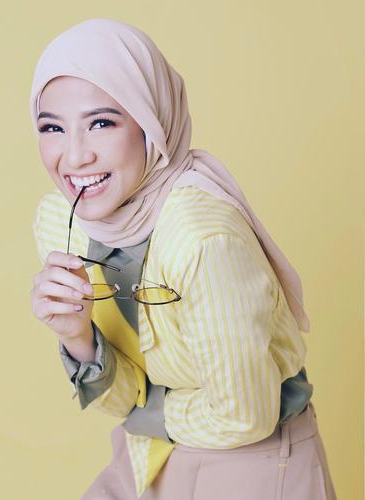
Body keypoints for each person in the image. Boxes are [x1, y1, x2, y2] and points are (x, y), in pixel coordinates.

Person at [29, 18, 337, 500]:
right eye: (52, 127)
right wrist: (77, 337)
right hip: (147, 453)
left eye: (101, 123)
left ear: (151, 123)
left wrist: (149, 412)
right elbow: (123, 398)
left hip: (252, 460)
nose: (73, 157)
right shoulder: (60, 226)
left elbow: (244, 416)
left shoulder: (203, 239)